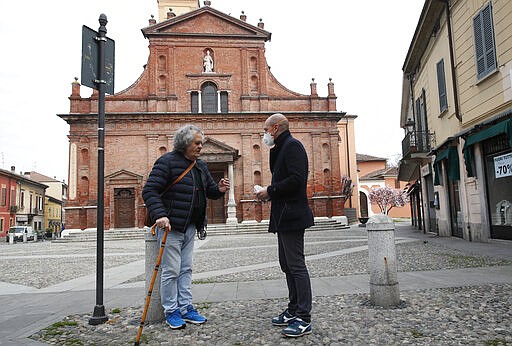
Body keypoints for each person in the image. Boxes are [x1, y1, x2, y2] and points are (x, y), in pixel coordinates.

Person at [142, 124, 230, 329]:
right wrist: (160, 215)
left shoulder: (200, 165)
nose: (200, 147)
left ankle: (186, 307)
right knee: (171, 270)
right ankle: (171, 310)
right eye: (197, 143)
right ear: (184, 144)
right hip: (170, 227)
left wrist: (219, 189)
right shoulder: (167, 162)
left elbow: (209, 191)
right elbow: (150, 191)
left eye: (201, 143)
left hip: (191, 225)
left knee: (186, 269)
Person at [255, 113, 314, 338]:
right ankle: (292, 310)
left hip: (293, 215)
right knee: (286, 264)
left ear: (276, 127)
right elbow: (283, 181)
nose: (264, 133)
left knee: (296, 265)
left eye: (266, 129)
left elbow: (297, 180)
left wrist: (269, 191)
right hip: (283, 214)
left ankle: (304, 317)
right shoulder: (280, 147)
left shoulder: (293, 146)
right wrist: (269, 194)